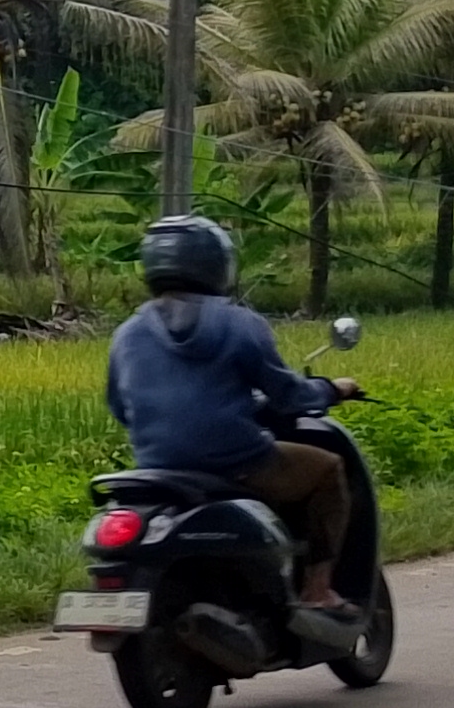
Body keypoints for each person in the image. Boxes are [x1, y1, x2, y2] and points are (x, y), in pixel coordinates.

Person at [103, 216, 365, 643]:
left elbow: (119, 406)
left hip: (158, 469)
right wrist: (332, 389)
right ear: (216, 265)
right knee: (328, 469)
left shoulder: (126, 334)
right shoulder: (240, 324)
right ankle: (318, 590)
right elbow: (288, 396)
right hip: (236, 462)